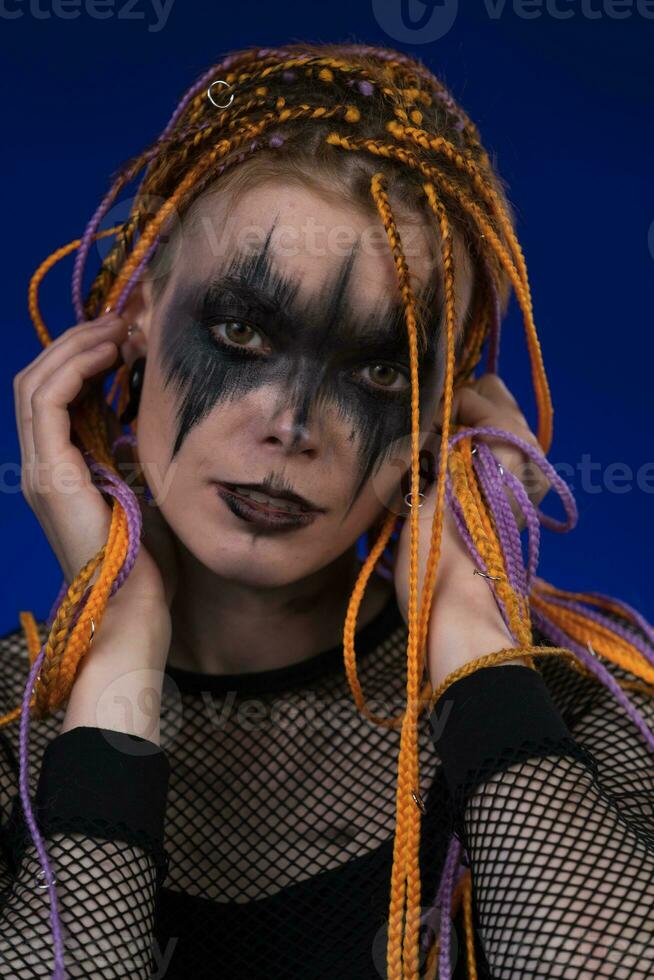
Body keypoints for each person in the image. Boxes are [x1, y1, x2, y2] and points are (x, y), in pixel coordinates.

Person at [1, 41, 653, 979]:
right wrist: (118, 646)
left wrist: (471, 632)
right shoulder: (7, 734)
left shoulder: (585, 721)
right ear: (133, 317)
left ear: (445, 413)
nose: (295, 425)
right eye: (242, 331)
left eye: (381, 368)